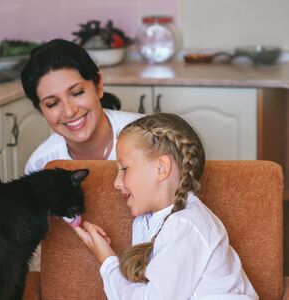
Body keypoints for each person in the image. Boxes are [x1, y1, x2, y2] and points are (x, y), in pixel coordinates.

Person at [73, 113, 258, 300]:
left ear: (161, 168)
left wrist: (107, 260)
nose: (116, 183)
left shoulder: (187, 225)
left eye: (124, 169)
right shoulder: (145, 223)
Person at [20, 38, 143, 174]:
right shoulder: (40, 165)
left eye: (77, 93)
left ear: (98, 85)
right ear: (40, 110)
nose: (69, 112)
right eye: (52, 103)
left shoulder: (151, 137)